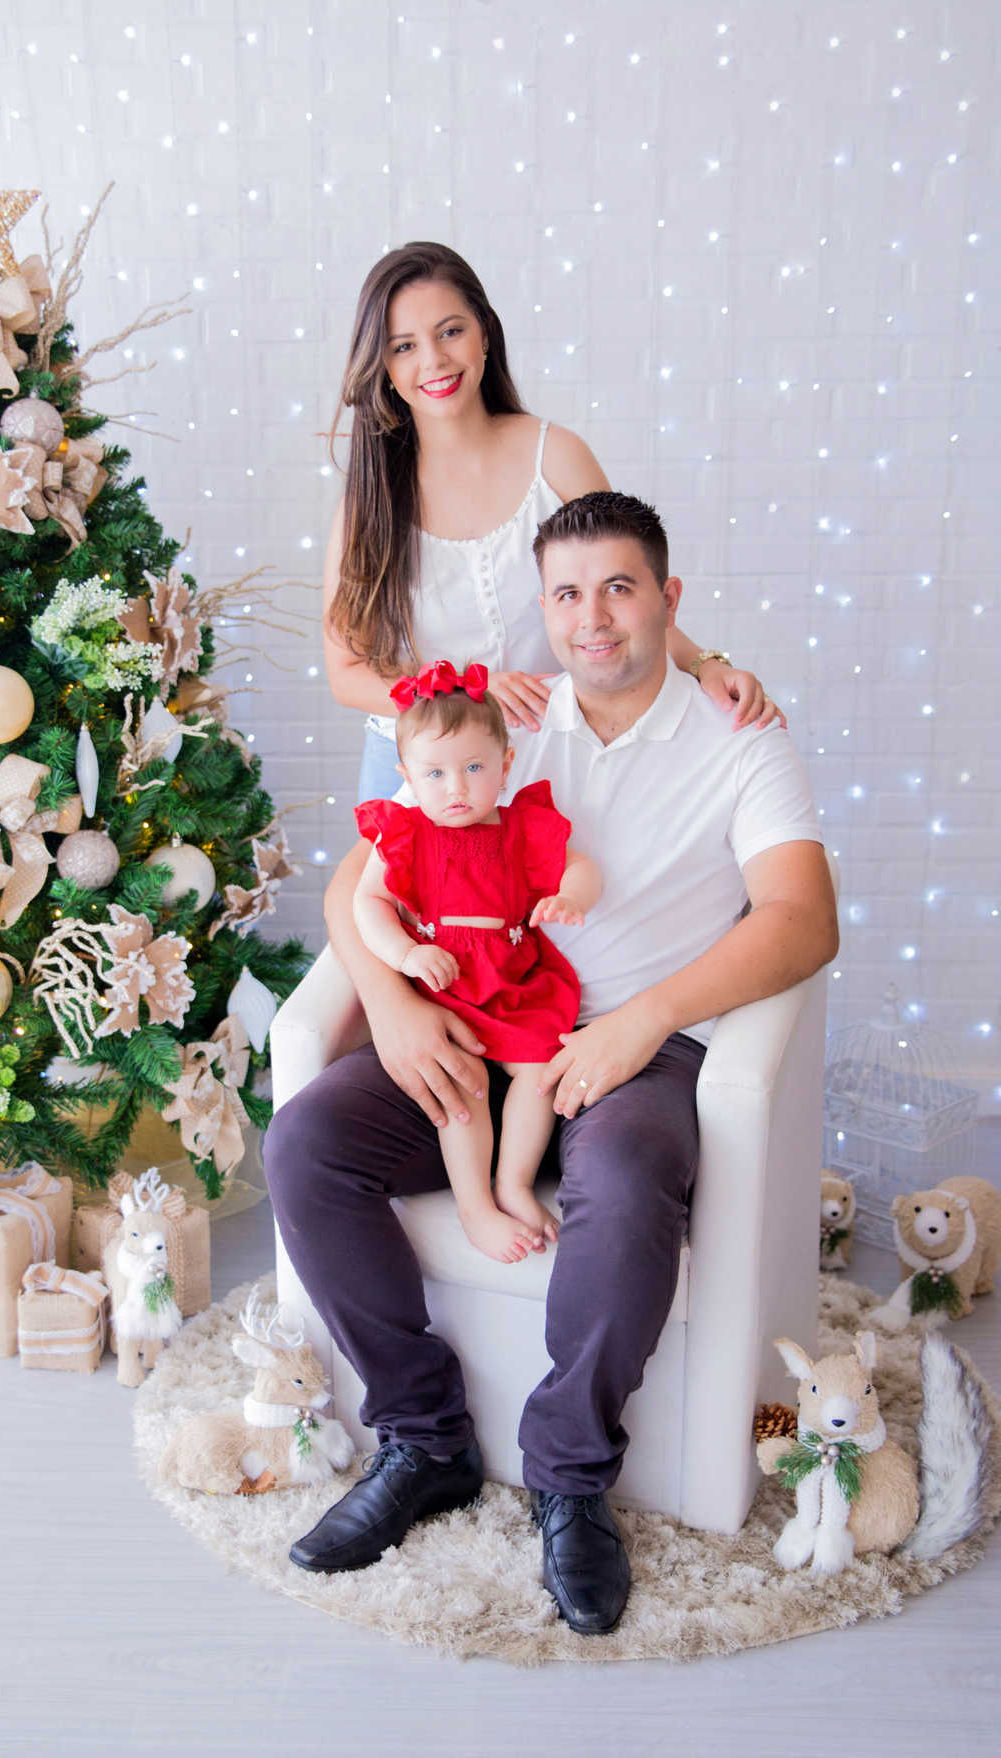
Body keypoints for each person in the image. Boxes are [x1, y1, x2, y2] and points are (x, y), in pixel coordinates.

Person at [266, 490, 837, 1635]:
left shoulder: (741, 734)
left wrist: (644, 1021)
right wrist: (394, 1007)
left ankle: (570, 1479)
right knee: (307, 1142)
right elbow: (361, 876)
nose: (594, 618)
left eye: (621, 588)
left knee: (623, 1192)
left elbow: (803, 918)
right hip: (483, 1027)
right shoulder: (508, 721)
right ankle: (424, 1439)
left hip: (646, 1048)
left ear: (669, 603)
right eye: (568, 594)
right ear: (545, 610)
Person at [322, 241, 783, 804]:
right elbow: (346, 673)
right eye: (404, 346)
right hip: (418, 773)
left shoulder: (556, 456)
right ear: (384, 365)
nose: (434, 361)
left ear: (485, 334)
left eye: (450, 332)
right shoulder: (368, 502)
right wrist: (466, 688)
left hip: (552, 756)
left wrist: (705, 666)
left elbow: (625, 592)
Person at [353, 660, 602, 1264]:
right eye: (434, 773)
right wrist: (407, 953)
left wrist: (571, 897)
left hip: (513, 974)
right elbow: (369, 904)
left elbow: (582, 867)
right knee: (458, 1086)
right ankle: (475, 1207)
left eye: (473, 768)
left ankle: (512, 1183)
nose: (456, 788)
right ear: (407, 775)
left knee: (542, 1070)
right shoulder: (409, 833)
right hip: (447, 983)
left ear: (505, 765)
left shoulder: (521, 829)